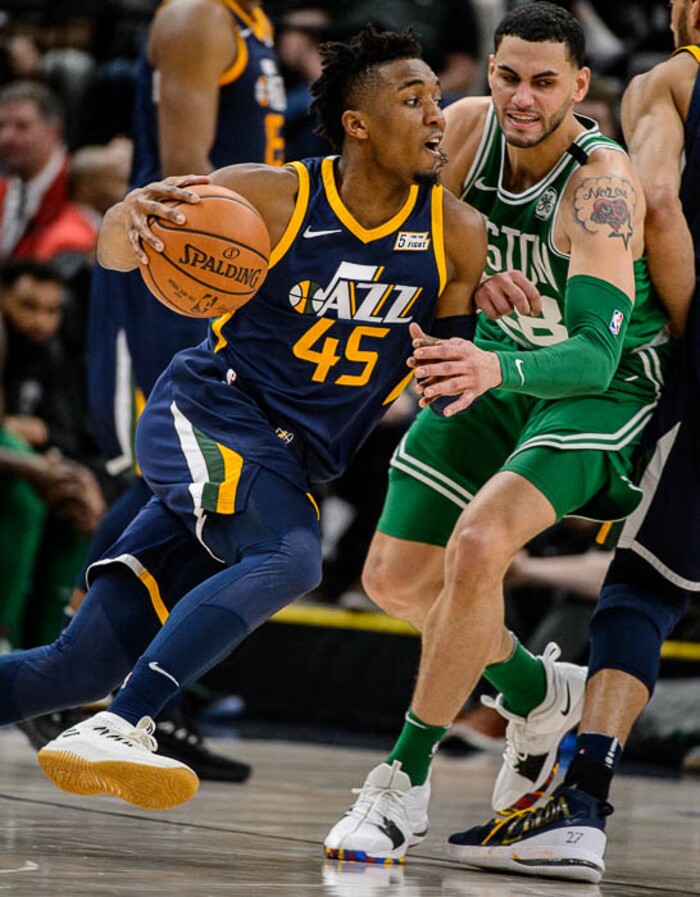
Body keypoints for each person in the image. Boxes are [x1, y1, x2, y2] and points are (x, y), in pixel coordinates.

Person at [0, 25, 488, 812]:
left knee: (74, 668)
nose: (439, 113)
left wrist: (487, 335)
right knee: (292, 556)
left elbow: (448, 378)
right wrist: (131, 217)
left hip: (293, 458)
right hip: (209, 410)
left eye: (438, 96)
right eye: (414, 98)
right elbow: (121, 254)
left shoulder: (457, 235)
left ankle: (104, 701)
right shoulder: (269, 194)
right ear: (358, 122)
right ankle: (125, 722)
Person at [324, 1, 674, 869]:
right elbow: (416, 238)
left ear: (581, 86)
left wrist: (495, 368)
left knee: (479, 545)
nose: (523, 97)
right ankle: (535, 691)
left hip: (596, 389)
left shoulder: (601, 186)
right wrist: (471, 283)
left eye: (545, 81)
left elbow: (594, 353)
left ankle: (400, 786)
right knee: (395, 578)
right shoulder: (469, 135)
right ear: (488, 72)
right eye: (509, 75)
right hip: (498, 366)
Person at [446, 0, 700, 883]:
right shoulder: (471, 132)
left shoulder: (673, 79)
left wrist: (674, 338)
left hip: (658, 359)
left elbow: (659, 202)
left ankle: (580, 807)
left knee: (641, 590)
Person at [25, 0, 288, 783]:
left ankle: (131, 696)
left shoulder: (254, 24)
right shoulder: (199, 17)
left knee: (191, 490)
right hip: (173, 282)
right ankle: (76, 676)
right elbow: (187, 194)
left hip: (222, 284)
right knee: (161, 477)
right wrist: (221, 282)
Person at [0, 81, 97, 272]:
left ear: (54, 132)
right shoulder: (4, 190)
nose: (6, 137)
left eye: (21, 126)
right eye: (1, 126)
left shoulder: (83, 184)